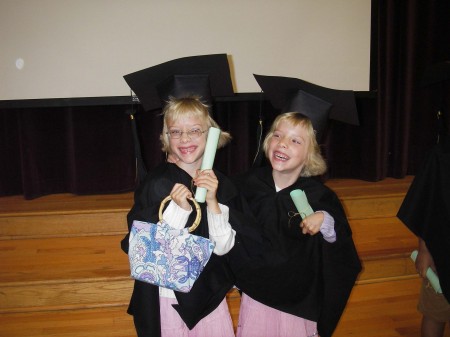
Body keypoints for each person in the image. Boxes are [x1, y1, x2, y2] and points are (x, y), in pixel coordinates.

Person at [121, 95, 250, 337]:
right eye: (176, 132)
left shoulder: (223, 185)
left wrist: (213, 203)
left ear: (210, 135)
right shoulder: (157, 184)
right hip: (167, 299)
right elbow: (143, 250)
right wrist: (178, 210)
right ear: (166, 138)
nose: (185, 138)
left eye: (195, 130)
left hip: (209, 298)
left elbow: (223, 248)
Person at [231, 112, 361, 337]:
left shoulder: (320, 197)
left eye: (295, 140)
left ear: (310, 154)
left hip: (299, 301)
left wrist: (324, 220)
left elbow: (340, 251)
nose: (282, 144)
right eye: (277, 135)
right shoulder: (246, 185)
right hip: (257, 294)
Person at [397, 130, 450, 337]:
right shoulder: (442, 155)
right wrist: (424, 249)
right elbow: (428, 202)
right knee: (436, 311)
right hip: (443, 253)